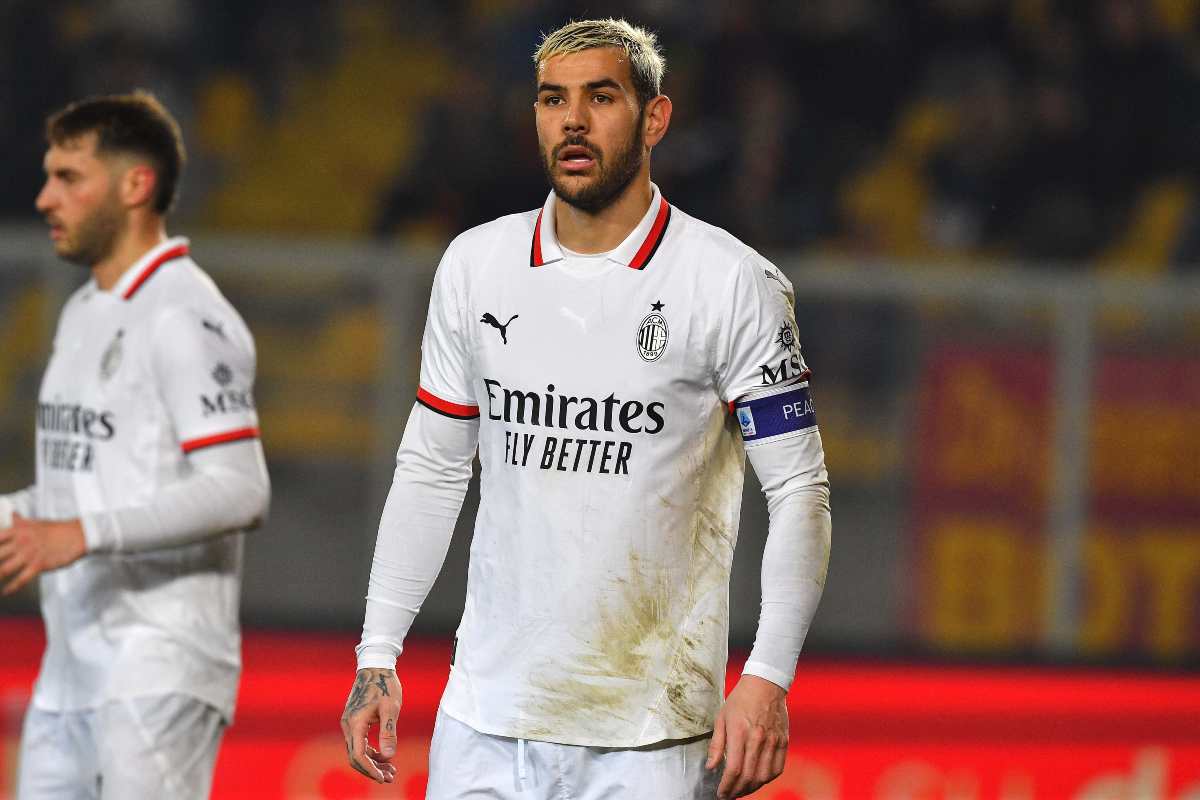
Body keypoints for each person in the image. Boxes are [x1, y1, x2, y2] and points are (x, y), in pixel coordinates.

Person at [341, 18, 830, 800]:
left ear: (655, 118)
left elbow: (800, 489)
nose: (572, 120)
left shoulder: (733, 283)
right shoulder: (476, 265)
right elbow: (433, 468)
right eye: (552, 99)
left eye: (600, 98)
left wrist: (768, 676)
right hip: (483, 722)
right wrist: (378, 654)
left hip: (650, 738)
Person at [0, 91, 270, 799]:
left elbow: (241, 489)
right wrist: (25, 522)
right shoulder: (83, 312)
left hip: (161, 664)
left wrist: (81, 533)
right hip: (70, 669)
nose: (45, 198)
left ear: (135, 185)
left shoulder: (186, 316)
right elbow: (74, 494)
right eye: (48, 177)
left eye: (68, 178)